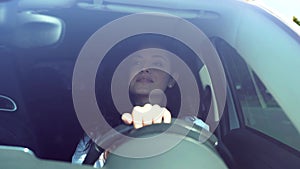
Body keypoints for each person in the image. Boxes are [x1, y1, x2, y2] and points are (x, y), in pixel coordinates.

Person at [72, 35, 209, 168]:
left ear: (172, 79)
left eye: (157, 63)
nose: (145, 69)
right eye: (136, 62)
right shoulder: (96, 133)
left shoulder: (192, 128)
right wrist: (111, 154)